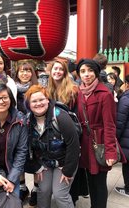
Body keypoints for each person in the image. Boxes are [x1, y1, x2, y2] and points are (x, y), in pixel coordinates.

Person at [76, 59, 123, 208]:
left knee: (99, 183)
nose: (86, 74)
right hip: (84, 143)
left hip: (100, 142)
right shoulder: (79, 92)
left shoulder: (105, 94)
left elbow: (110, 125)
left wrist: (110, 152)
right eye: (83, 71)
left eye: (90, 71)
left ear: (96, 72)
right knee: (90, 181)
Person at [24, 84, 80, 208]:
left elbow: (74, 144)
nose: (38, 103)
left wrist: (68, 170)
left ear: (47, 100)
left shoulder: (59, 115)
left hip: (65, 161)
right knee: (43, 192)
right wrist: (35, 166)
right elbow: (26, 147)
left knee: (60, 194)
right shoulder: (28, 120)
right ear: (29, 104)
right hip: (45, 163)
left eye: (41, 99)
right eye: (34, 101)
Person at [47, 59, 88, 204]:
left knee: (71, 164)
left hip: (70, 133)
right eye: (55, 69)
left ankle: (72, 198)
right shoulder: (48, 90)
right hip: (54, 135)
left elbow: (78, 115)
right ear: (50, 71)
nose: (57, 71)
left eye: (60, 69)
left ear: (65, 72)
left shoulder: (73, 90)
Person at [14, 62, 38, 206]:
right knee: (19, 157)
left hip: (34, 128)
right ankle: (22, 187)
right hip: (17, 129)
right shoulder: (12, 89)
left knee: (36, 157)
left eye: (28, 71)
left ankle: (36, 188)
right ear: (17, 73)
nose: (25, 74)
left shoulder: (37, 89)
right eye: (22, 71)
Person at [115, 74, 129, 197]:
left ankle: (128, 188)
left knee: (127, 163)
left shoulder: (126, 98)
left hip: (126, 138)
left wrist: (116, 138)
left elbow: (120, 121)